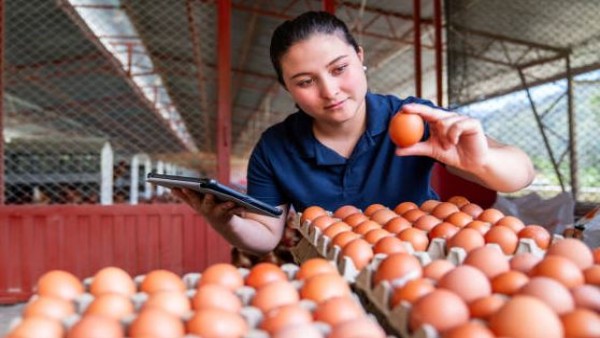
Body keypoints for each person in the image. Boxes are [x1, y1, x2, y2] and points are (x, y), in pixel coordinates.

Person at [172, 11, 535, 257]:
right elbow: (265, 236)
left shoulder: (411, 116)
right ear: (287, 87)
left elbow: (521, 174)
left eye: (339, 68)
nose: (329, 91)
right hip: (332, 281)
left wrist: (483, 161)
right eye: (305, 81)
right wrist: (226, 223)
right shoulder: (275, 148)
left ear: (360, 56)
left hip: (424, 266)